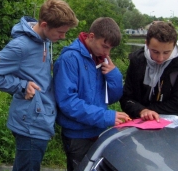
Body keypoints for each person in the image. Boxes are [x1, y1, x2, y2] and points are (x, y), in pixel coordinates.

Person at [0, 0, 78, 171]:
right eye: (60, 32)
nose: (63, 36)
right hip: (31, 124)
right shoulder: (20, 46)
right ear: (44, 24)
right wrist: (21, 85)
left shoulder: (45, 40)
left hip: (40, 120)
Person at [53, 17, 130, 171]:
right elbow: (68, 103)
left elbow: (112, 97)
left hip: (98, 130)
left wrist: (114, 75)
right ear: (91, 36)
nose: (107, 53)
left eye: (110, 49)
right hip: (77, 135)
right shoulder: (69, 59)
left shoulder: (100, 58)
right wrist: (107, 117)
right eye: (105, 46)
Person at [120, 21, 178, 121]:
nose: (160, 58)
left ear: (174, 45)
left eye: (167, 52)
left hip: (170, 123)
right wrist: (141, 111)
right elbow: (126, 98)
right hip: (139, 121)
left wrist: (148, 111)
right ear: (147, 44)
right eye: (155, 52)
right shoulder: (137, 61)